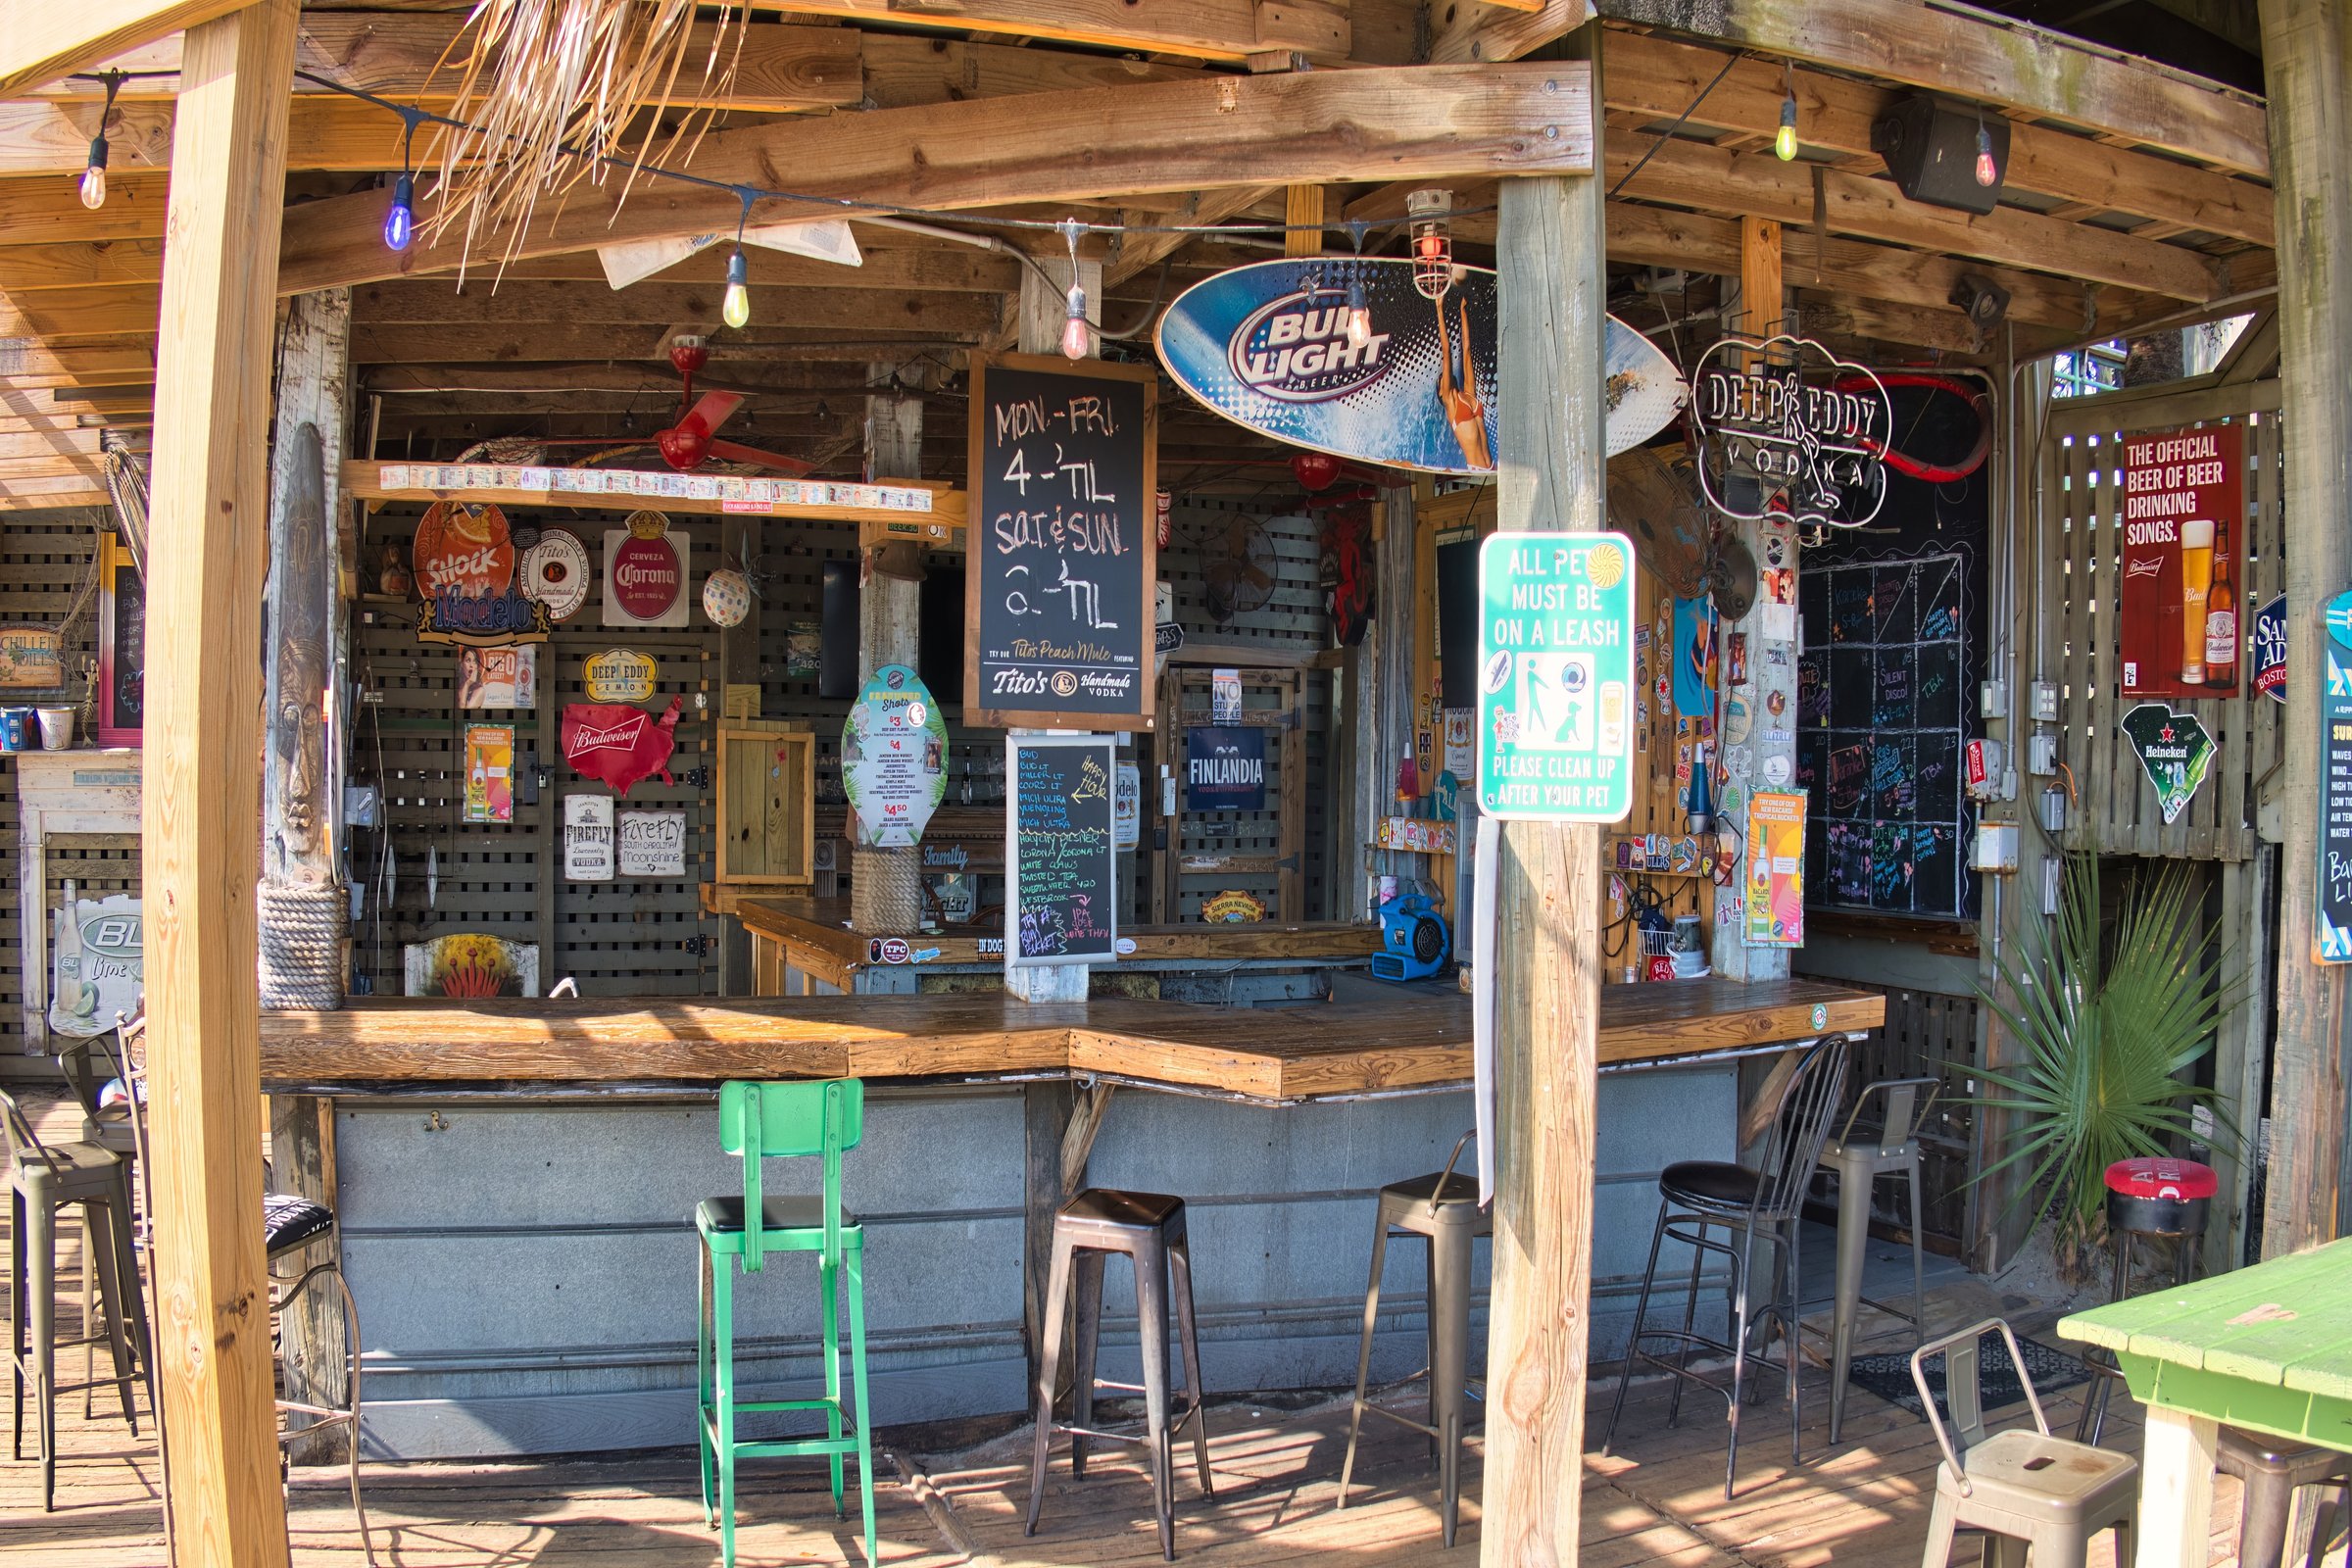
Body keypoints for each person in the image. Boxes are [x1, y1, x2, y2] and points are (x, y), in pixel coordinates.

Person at [1433, 292, 1493, 470]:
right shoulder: (1450, 402)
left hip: (1491, 467)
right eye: (1441, 380)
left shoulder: (1468, 394)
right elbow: (1446, 351)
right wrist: (1439, 309)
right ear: (1441, 392)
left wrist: (1463, 310)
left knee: (1467, 353)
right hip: (1477, 469)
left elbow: (1466, 348)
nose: (1443, 376)